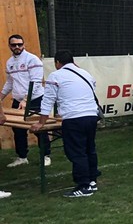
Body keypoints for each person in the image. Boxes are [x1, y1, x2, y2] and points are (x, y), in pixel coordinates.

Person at [30, 50, 101, 198]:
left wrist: (41, 123)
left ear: (57, 62)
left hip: (74, 118)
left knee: (77, 152)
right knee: (89, 149)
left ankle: (84, 186)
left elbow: (48, 100)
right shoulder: (85, 73)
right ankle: (92, 180)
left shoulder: (55, 76)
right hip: (91, 116)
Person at [0, 34, 52, 167]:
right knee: (18, 129)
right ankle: (22, 157)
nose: (17, 47)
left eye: (20, 44)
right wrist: (1, 97)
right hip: (18, 100)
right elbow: (10, 83)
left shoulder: (32, 59)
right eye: (14, 45)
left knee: (39, 128)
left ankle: (45, 155)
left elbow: (36, 82)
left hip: (35, 99)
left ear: (24, 45)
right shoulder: (9, 62)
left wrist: (25, 100)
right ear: (9, 46)